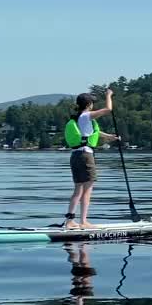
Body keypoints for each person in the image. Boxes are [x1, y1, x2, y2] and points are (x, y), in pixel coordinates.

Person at [64, 89, 120, 228]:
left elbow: (94, 132)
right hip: (85, 156)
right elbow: (108, 109)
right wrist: (108, 95)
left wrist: (110, 137)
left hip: (76, 155)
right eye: (92, 103)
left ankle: (70, 220)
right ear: (88, 104)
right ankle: (83, 221)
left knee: (78, 189)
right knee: (87, 188)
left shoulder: (78, 117)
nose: (93, 105)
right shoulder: (86, 115)